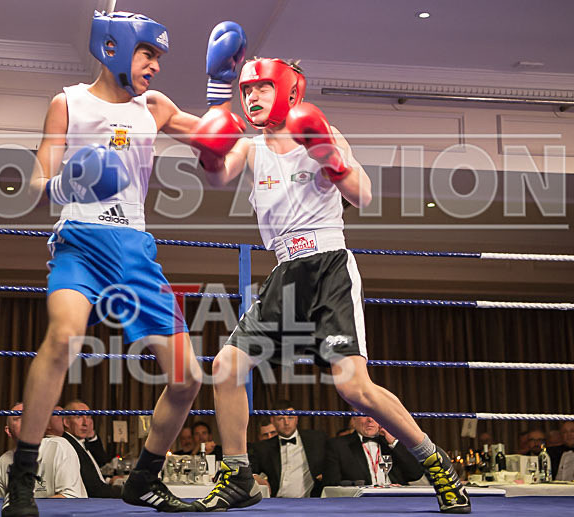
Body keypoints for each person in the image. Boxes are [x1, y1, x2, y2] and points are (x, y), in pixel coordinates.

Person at [190, 57, 471, 513]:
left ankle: (434, 462)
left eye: (262, 87)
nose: (253, 97)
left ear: (288, 91)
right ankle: (237, 474)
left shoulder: (319, 130)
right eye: (247, 90)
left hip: (330, 267)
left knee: (355, 389)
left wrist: (334, 162)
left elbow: (363, 195)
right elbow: (216, 174)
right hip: (285, 272)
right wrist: (208, 139)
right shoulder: (250, 146)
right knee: (225, 367)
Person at [6, 11, 246, 516]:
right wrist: (72, 179)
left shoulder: (153, 107)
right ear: (113, 47)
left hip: (134, 247)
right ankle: (22, 485)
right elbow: (33, 184)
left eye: (159, 56)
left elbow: (217, 142)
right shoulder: (67, 102)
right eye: (147, 53)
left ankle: (143, 479)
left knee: (188, 379)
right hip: (80, 241)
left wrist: (222, 91)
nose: (155, 66)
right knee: (64, 336)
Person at [0, 403, 85, 501]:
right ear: (8, 431)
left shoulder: (58, 447)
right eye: (19, 417)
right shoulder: (3, 461)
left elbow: (70, 498)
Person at [247, 400, 326, 498]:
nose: (286, 423)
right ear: (272, 421)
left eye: (290, 417)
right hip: (276, 502)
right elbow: (249, 469)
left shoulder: (317, 439)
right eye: (281, 419)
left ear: (297, 418)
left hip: (311, 501)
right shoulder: (263, 448)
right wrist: (256, 477)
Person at [324, 416, 422, 487]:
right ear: (354, 419)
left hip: (396, 500)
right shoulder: (338, 445)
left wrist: (393, 443)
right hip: (359, 503)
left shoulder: (393, 443)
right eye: (364, 414)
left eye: (375, 415)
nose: (370, 420)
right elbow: (331, 483)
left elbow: (415, 474)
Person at [61, 400, 120, 498]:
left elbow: (101, 462)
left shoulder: (80, 442)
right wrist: (124, 492)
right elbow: (94, 489)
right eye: (79, 417)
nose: (85, 423)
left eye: (88, 417)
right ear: (66, 422)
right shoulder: (68, 445)